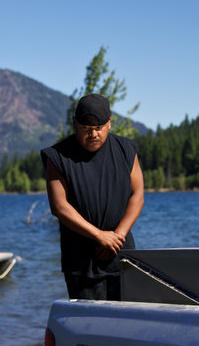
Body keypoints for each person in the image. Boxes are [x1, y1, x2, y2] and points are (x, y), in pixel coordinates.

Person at [41, 93, 144, 300]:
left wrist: (117, 237)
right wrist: (99, 236)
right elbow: (59, 206)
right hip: (81, 264)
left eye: (98, 128)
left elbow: (137, 194)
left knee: (127, 326)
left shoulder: (126, 150)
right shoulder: (58, 156)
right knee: (88, 327)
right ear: (74, 124)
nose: (93, 134)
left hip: (121, 256)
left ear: (109, 124)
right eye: (86, 129)